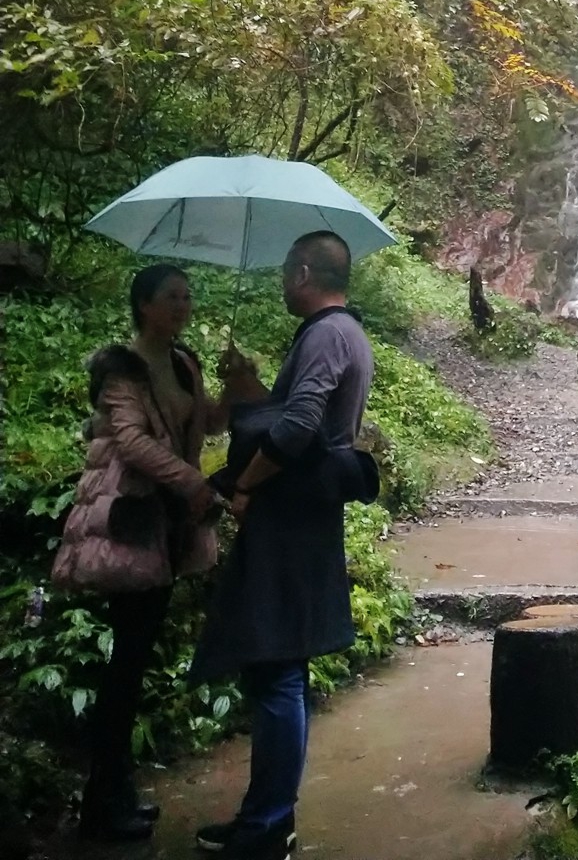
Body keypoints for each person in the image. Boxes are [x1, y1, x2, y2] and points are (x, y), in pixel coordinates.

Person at [52, 265, 260, 843]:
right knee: (126, 666)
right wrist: (193, 483)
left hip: (167, 528)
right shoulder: (122, 369)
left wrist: (236, 391)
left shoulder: (183, 362)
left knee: (135, 661)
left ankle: (113, 794)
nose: (183, 305)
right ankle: (101, 804)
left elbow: (205, 424)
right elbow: (131, 440)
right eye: (172, 297)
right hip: (131, 521)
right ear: (144, 305)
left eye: (188, 296)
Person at [190, 231, 375, 860]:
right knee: (277, 668)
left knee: (277, 671)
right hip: (305, 514)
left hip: (292, 520)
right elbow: (298, 415)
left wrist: (242, 484)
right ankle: (266, 817)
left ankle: (268, 826)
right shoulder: (342, 332)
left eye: (283, 273)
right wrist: (248, 387)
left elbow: (299, 428)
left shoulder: (326, 334)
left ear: (302, 272)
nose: (279, 283)